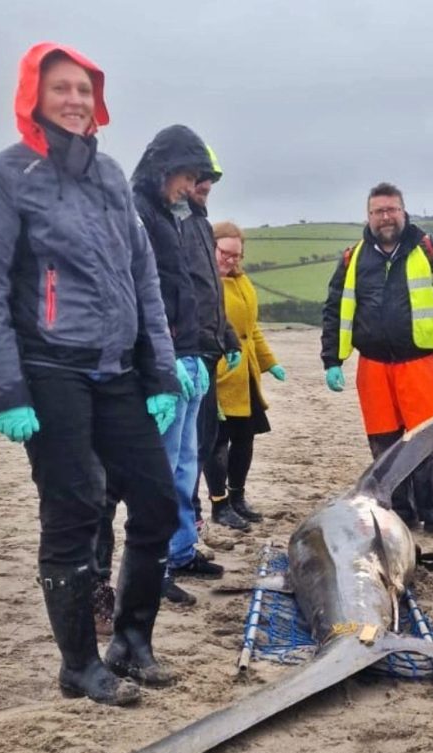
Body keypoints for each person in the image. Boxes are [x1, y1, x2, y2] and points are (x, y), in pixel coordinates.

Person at [0, 42, 182, 706]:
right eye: (61, 88)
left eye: (84, 89)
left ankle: (132, 641)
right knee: (74, 510)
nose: (75, 100)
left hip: (117, 369)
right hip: (48, 368)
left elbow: (143, 278)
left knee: (156, 503)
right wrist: (6, 390)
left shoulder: (112, 176)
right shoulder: (2, 176)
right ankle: (79, 664)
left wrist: (163, 373)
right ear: (34, 94)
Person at [321, 183, 433, 539]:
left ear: (404, 212)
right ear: (368, 216)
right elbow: (333, 309)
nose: (385, 217)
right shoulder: (353, 258)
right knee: (384, 443)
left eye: (391, 210)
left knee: (431, 440)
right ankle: (399, 511)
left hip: (419, 362)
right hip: (372, 365)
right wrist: (331, 359)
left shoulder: (429, 250)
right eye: (378, 211)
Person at [131, 125, 225, 605]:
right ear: (165, 170)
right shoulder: (140, 214)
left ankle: (183, 548)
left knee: (188, 462)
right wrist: (161, 361)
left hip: (189, 353)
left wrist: (202, 344)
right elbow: (146, 295)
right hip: (163, 361)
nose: (194, 187)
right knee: (164, 467)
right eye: (189, 176)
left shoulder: (180, 216)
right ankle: (157, 564)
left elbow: (190, 286)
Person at [206, 220, 286, 530]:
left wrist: (269, 362)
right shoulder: (204, 282)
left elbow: (251, 329)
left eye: (237, 255)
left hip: (246, 375)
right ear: (211, 249)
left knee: (244, 439)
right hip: (219, 374)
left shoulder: (243, 282)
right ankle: (219, 503)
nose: (231, 260)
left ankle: (238, 497)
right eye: (225, 253)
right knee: (217, 444)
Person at [180, 164, 243, 532]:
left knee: (200, 447)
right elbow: (178, 292)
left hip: (209, 355)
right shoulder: (177, 226)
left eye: (208, 184)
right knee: (185, 452)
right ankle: (187, 529)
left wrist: (229, 340)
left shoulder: (200, 226)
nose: (204, 187)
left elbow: (211, 299)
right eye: (197, 181)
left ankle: (190, 530)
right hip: (188, 353)